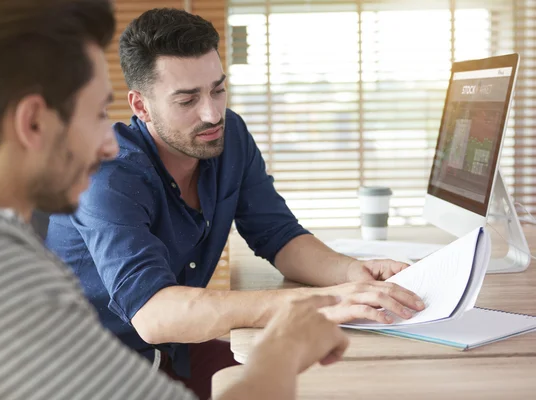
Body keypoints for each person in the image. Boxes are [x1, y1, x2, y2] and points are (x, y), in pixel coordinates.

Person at [0, 1, 350, 399]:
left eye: (217, 91)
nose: (108, 145)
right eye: (98, 114)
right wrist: (284, 348)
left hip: (154, 357)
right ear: (33, 123)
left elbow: (276, 231)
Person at [45, 7, 426, 399]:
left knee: (329, 382)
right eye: (187, 99)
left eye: (217, 89)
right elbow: (154, 315)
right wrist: (315, 303)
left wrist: (351, 273)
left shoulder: (230, 137)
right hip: (92, 377)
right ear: (140, 107)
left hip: (174, 355)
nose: (212, 113)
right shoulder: (108, 174)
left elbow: (278, 235)